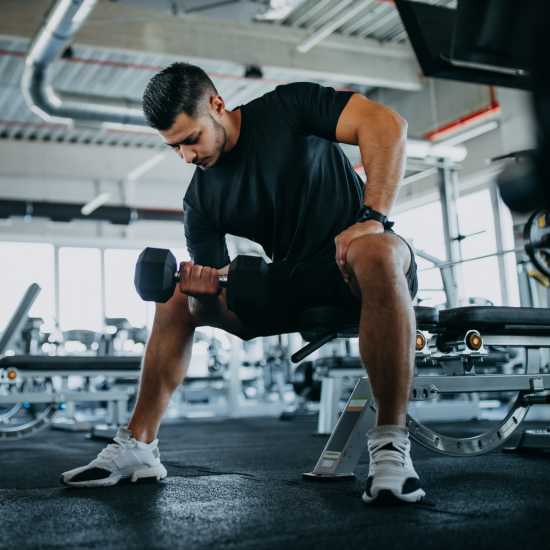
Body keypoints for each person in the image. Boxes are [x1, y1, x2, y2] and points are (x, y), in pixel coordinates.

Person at [62, 63, 425, 504]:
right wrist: (201, 294)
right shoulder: (201, 200)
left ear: (217, 105)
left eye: (191, 139)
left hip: (360, 269)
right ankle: (139, 445)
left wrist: (372, 220)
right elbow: (216, 306)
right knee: (176, 296)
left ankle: (390, 445)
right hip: (294, 286)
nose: (187, 157)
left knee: (379, 249)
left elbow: (387, 124)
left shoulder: (289, 107)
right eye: (174, 148)